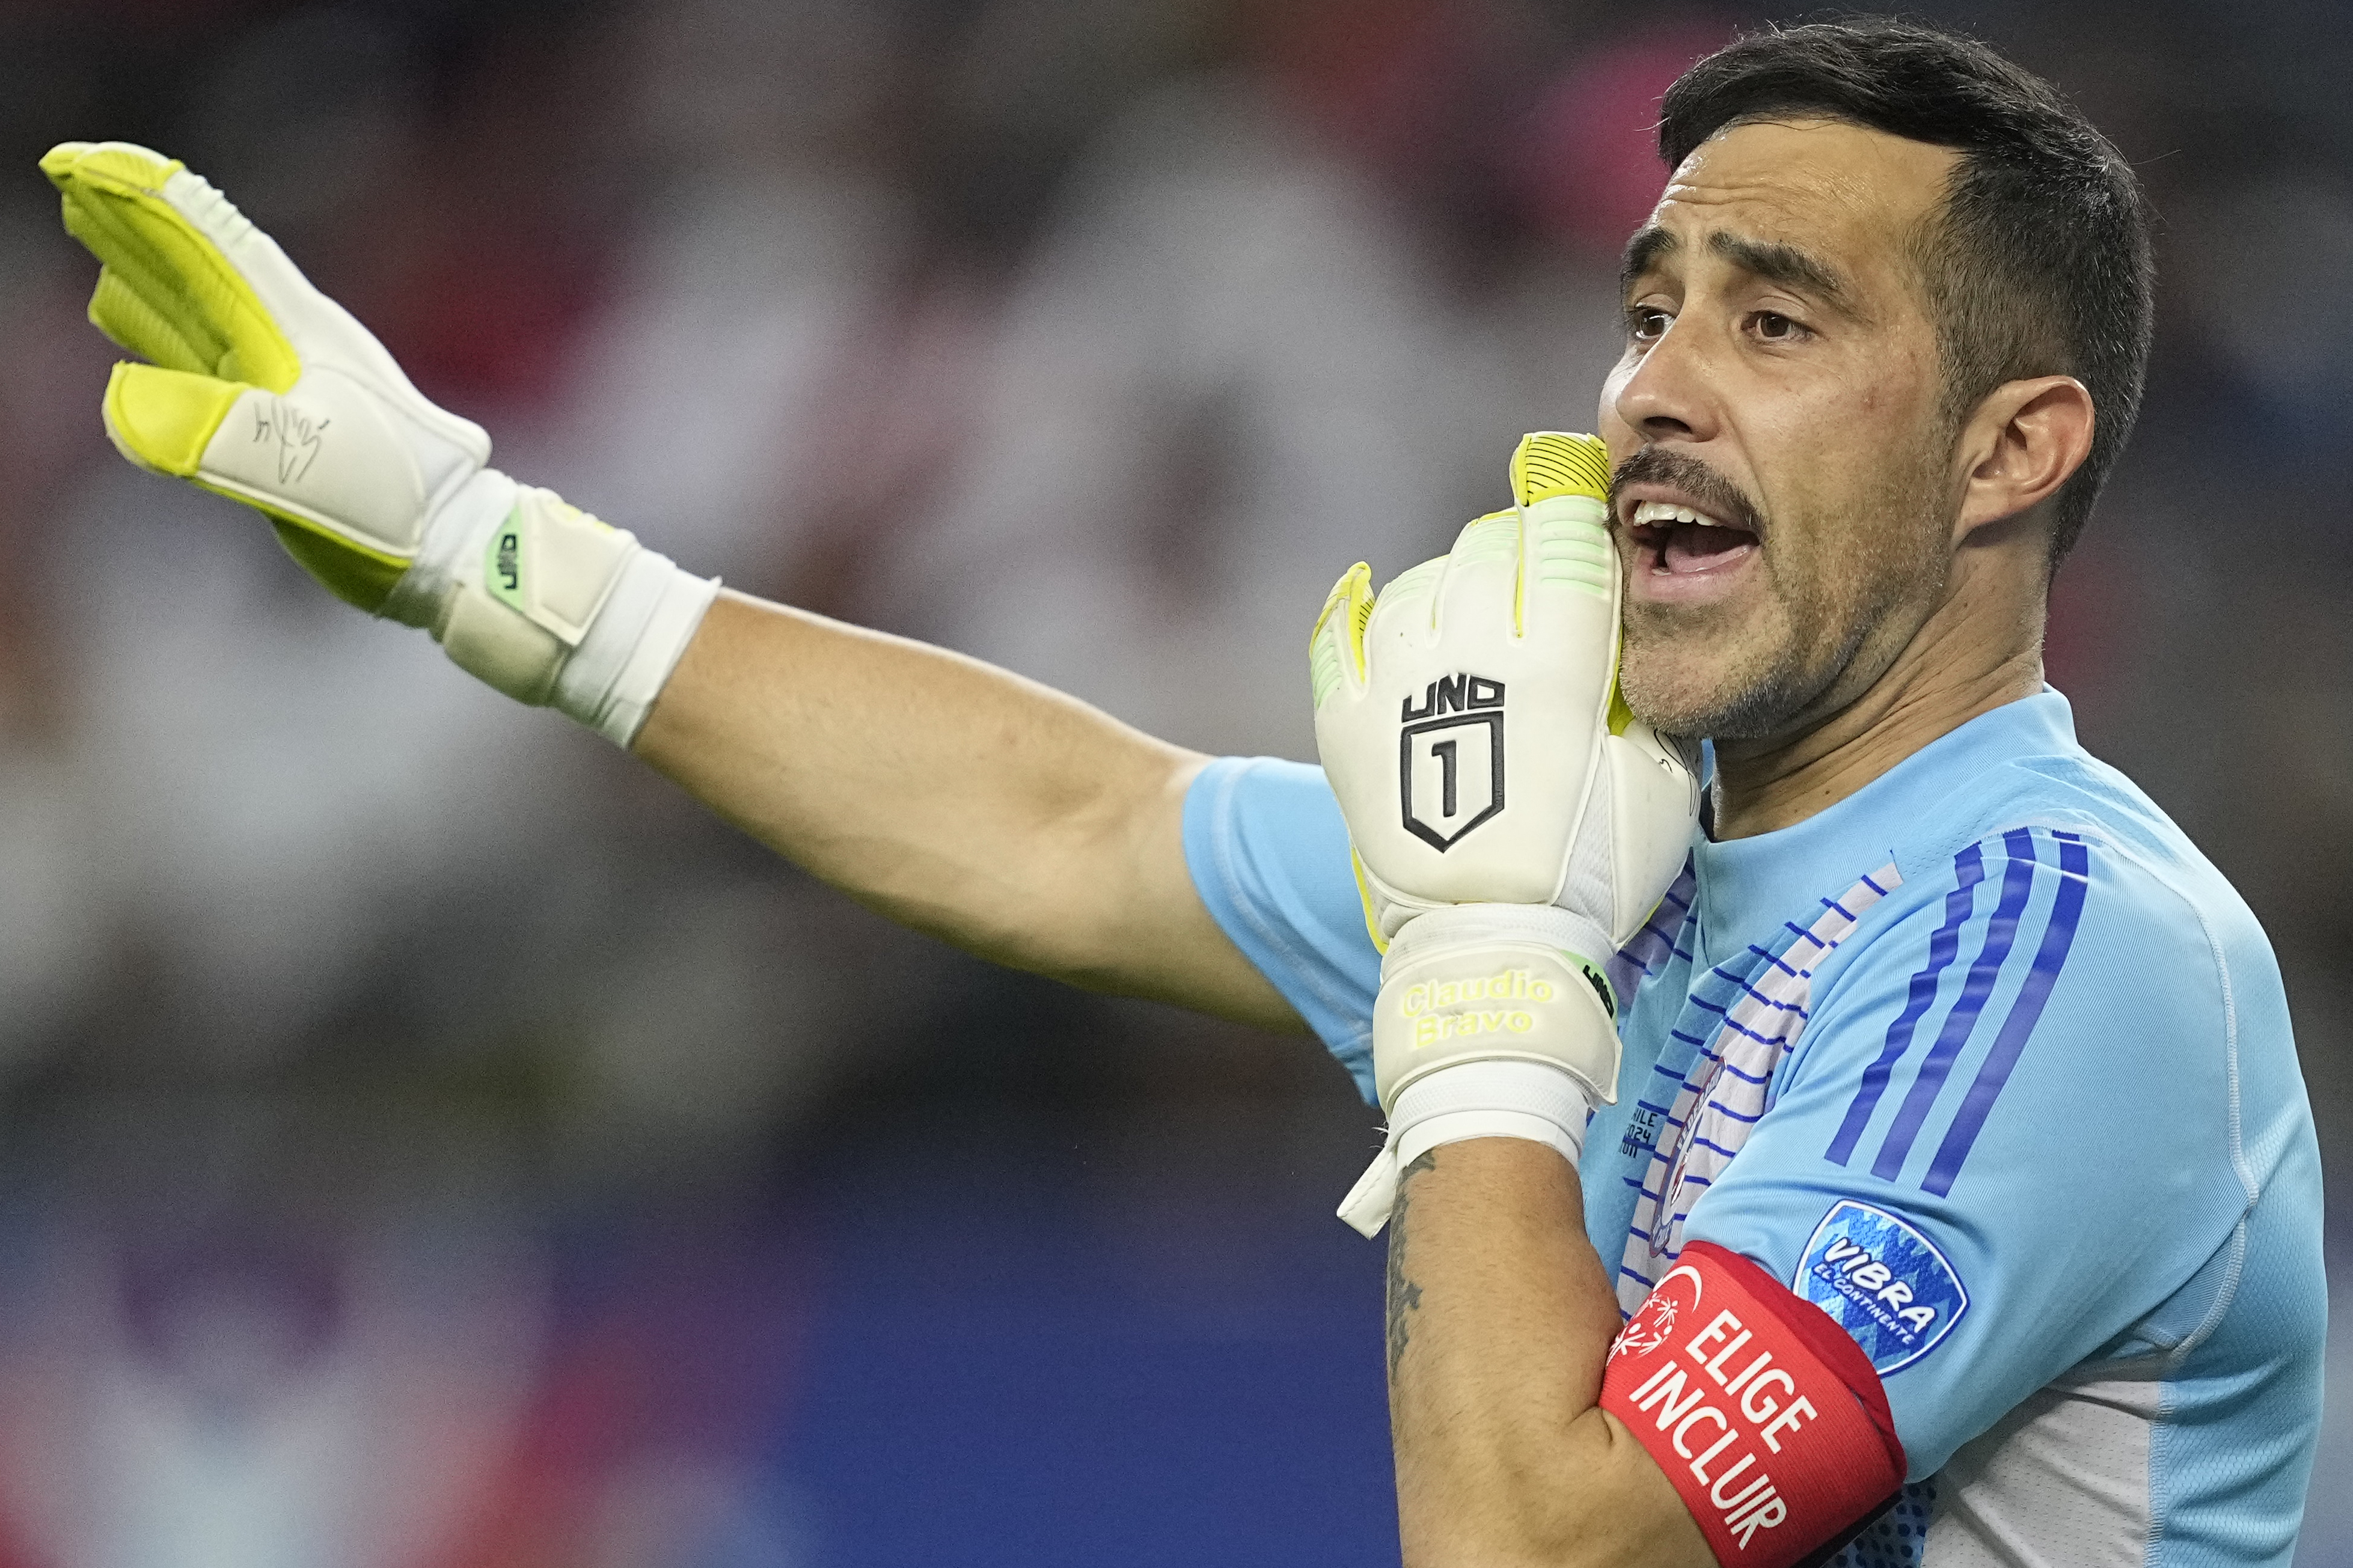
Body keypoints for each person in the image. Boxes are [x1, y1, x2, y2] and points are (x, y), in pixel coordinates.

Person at [39, 16, 2324, 1567]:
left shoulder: (2048, 949)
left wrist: (1487, 973)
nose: (1651, 389)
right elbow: (1071, 825)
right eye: (1649, 307)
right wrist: (480, 546)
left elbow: (1540, 1542)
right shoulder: (1629, 839)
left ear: (2015, 450)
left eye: (1777, 321)